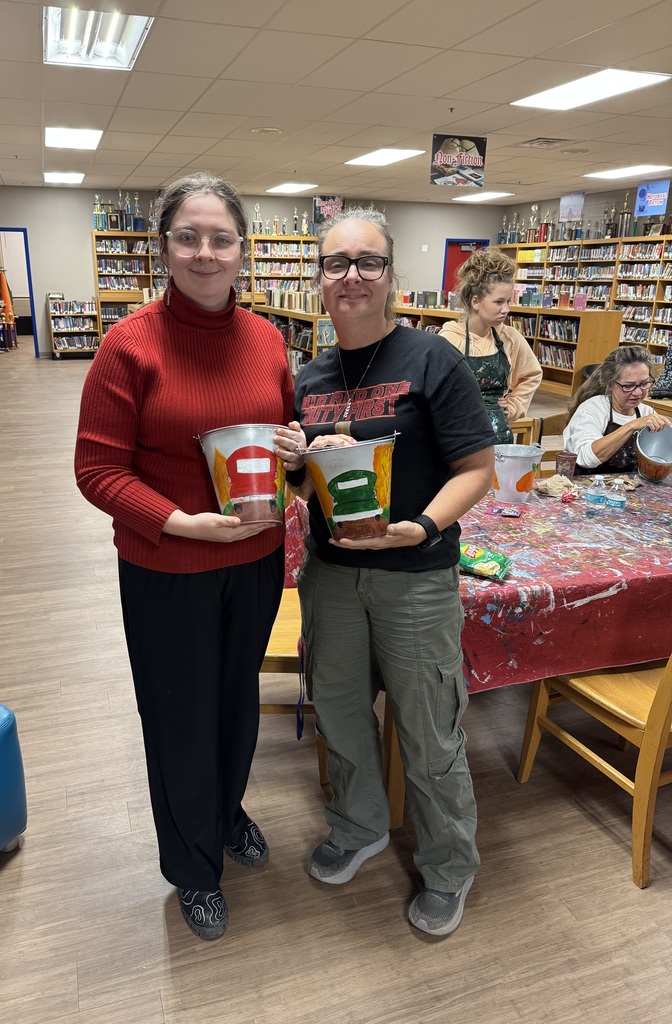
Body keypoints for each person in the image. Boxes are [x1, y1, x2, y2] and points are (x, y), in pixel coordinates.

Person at [75, 172, 295, 942]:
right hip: (167, 568)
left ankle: (225, 812)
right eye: (188, 237)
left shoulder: (268, 340)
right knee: (179, 716)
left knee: (236, 701)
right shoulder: (128, 346)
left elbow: (281, 435)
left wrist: (297, 454)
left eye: (221, 238)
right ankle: (193, 867)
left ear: (244, 250)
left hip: (256, 559)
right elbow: (97, 471)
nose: (206, 253)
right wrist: (181, 524)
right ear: (163, 247)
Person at [273, 207, 495, 937]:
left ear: (392, 275)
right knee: (340, 713)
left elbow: (478, 470)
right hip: (332, 576)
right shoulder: (310, 376)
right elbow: (309, 488)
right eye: (336, 264)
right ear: (320, 280)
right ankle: (360, 824)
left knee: (429, 729)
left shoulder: (434, 360)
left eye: (368, 261)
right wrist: (296, 466)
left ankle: (449, 865)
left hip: (416, 576)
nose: (352, 276)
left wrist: (422, 526)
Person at [439, 247, 542, 442]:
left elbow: (532, 374)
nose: (506, 309)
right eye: (498, 302)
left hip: (500, 437)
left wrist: (514, 406)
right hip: (460, 438)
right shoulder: (450, 340)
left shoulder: (509, 337)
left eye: (508, 301)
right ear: (476, 302)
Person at [563, 345, 672, 474]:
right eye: (628, 386)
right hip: (585, 483)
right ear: (610, 384)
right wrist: (632, 426)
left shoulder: (647, 412)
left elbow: (659, 457)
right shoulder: (592, 409)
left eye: (644, 384)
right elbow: (587, 458)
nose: (638, 392)